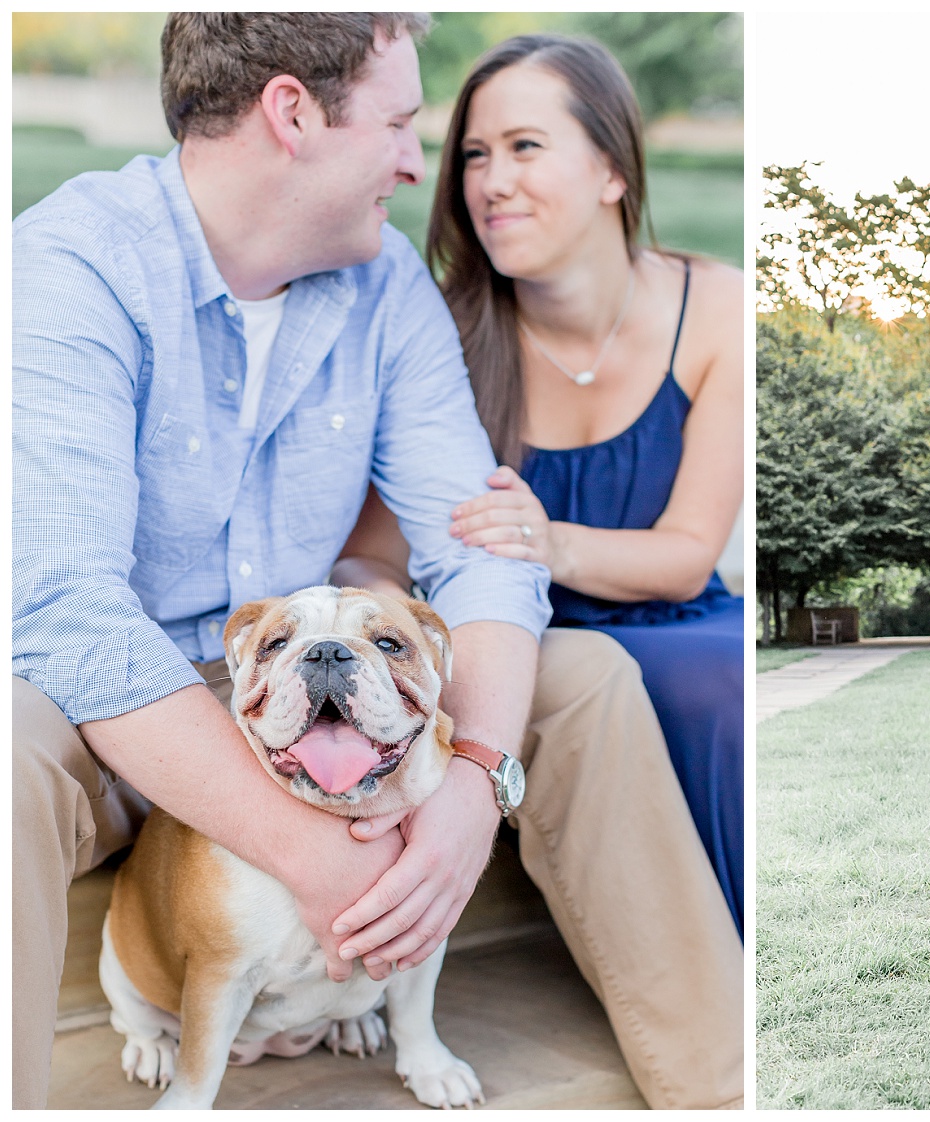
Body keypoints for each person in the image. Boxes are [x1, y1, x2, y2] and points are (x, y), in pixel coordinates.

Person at [12, 13, 740, 1109]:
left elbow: (481, 552)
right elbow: (68, 613)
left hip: (331, 678)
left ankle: (725, 1088)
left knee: (586, 682)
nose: (420, 163)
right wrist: (313, 857)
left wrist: (470, 787)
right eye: (402, 123)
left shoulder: (385, 282)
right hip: (109, 706)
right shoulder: (68, 268)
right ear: (292, 115)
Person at [337, 35, 745, 934]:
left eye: (525, 147)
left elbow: (685, 560)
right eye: (474, 155)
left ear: (611, 168)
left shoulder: (718, 310)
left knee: (722, 678)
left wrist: (545, 539)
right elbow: (369, 557)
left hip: (674, 614)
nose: (491, 181)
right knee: (622, 684)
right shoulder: (441, 328)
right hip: (520, 641)